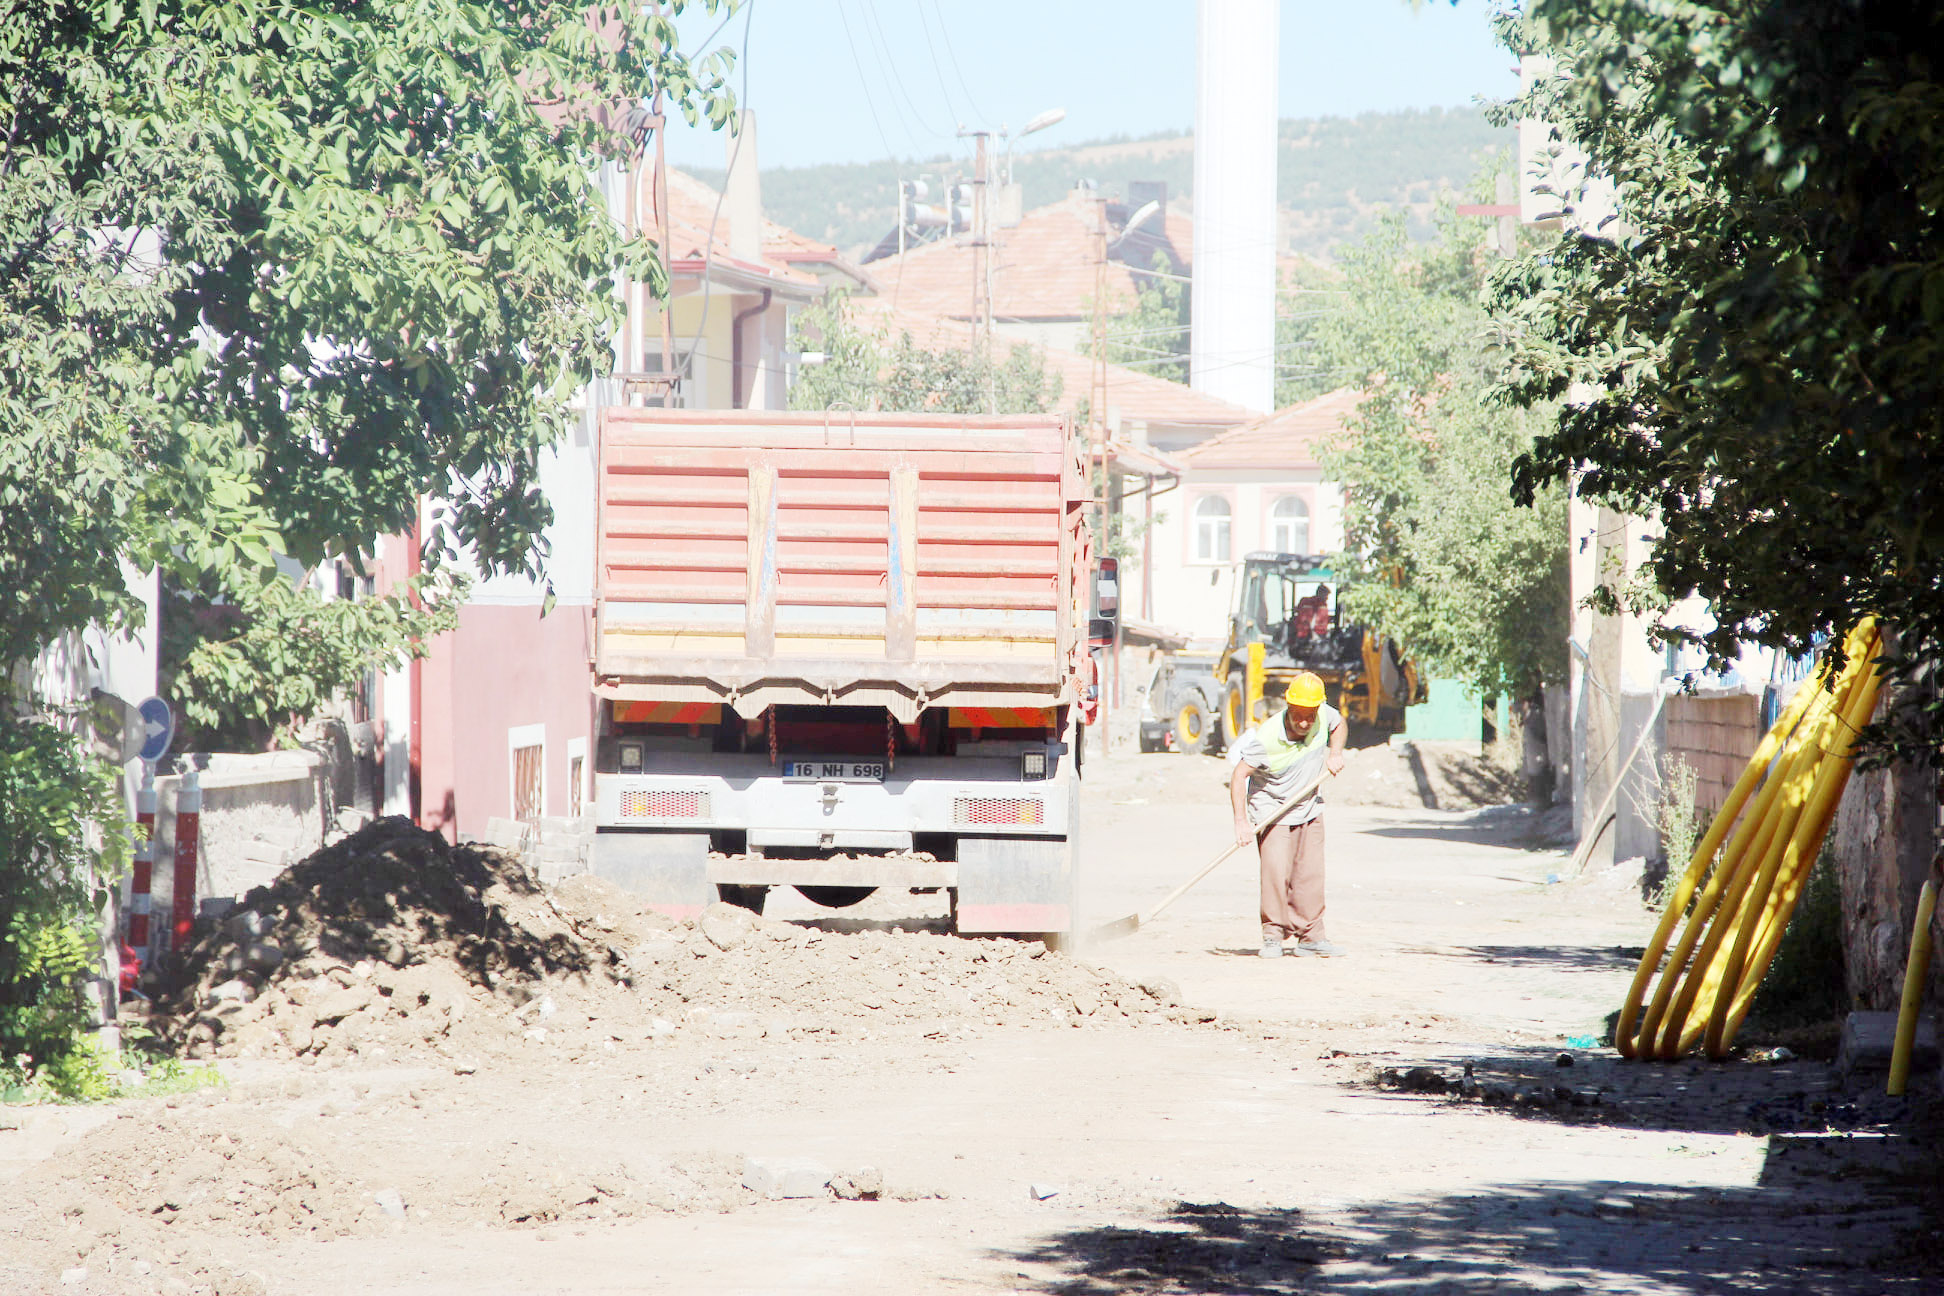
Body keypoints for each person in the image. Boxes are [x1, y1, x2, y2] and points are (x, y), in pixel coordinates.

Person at [1228, 671, 1347, 958]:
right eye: (1298, 715)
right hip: (1273, 810)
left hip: (1308, 805)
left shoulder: (1322, 715)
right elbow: (1238, 776)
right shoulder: (1266, 738)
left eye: (1310, 715)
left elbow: (1339, 724)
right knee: (1276, 873)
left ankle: (1311, 937)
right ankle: (1272, 936)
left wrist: (1335, 753)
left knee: (1310, 875)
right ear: (1288, 706)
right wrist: (1242, 822)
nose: (1305, 722)